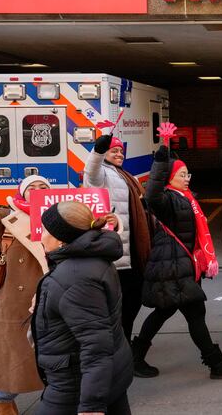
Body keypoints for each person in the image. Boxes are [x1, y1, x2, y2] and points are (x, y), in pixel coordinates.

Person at [136, 143, 222, 379]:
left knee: (165, 312)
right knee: (194, 312)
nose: (187, 178)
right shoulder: (165, 200)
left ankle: (136, 357)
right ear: (169, 177)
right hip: (173, 267)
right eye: (182, 174)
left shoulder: (186, 198)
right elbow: (152, 193)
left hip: (182, 266)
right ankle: (216, 364)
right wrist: (160, 161)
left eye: (188, 174)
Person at [32, 201, 133, 415]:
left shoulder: (73, 278)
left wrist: (91, 407)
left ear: (60, 239)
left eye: (44, 230)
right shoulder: (92, 259)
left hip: (73, 386)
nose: (40, 236)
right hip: (106, 374)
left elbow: (95, 344)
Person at [84, 133, 151, 343]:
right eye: (114, 150)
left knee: (133, 298)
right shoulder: (100, 173)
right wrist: (97, 151)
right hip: (116, 254)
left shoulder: (121, 173)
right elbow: (91, 170)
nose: (119, 154)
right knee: (124, 303)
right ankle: (121, 345)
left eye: (121, 151)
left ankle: (123, 341)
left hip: (130, 249)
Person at [0, 176, 51, 415]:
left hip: (51, 295)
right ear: (22, 193)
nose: (37, 191)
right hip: (15, 303)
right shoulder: (4, 216)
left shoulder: (60, 215)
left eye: (43, 187)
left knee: (54, 361)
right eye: (32, 188)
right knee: (11, 367)